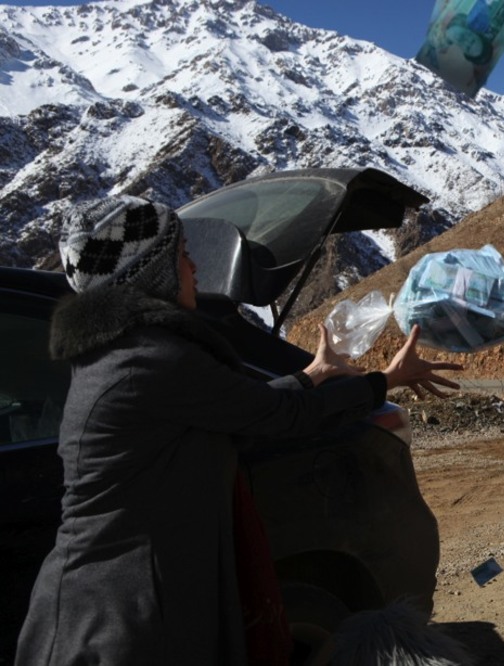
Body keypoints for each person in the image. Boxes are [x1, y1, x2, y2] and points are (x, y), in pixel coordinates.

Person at [15, 195, 462, 665]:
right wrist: (386, 380)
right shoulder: (151, 360)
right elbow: (279, 417)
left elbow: (235, 409)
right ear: (151, 271)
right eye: (182, 254)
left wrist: (312, 374)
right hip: (125, 616)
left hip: (106, 600)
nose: (194, 268)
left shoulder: (121, 354)